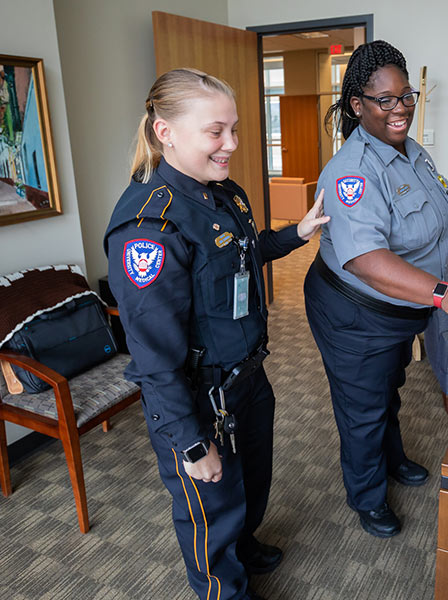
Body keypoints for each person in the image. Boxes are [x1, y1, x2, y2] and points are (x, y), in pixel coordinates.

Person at [104, 68, 328, 600]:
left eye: (234, 130)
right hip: (200, 401)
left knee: (249, 487)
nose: (231, 145)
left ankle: (244, 547)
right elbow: (153, 359)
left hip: (247, 377)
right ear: (166, 132)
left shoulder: (223, 193)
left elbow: (243, 257)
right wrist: (190, 443)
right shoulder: (149, 229)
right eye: (216, 132)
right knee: (209, 514)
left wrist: (296, 234)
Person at [303, 40, 448, 538]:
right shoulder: (353, 171)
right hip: (354, 310)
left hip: (399, 309)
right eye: (384, 100)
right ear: (357, 105)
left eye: (405, 95)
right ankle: (367, 497)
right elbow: (367, 261)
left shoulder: (410, 151)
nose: (399, 107)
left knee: (388, 388)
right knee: (362, 404)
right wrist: (441, 292)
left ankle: (393, 459)